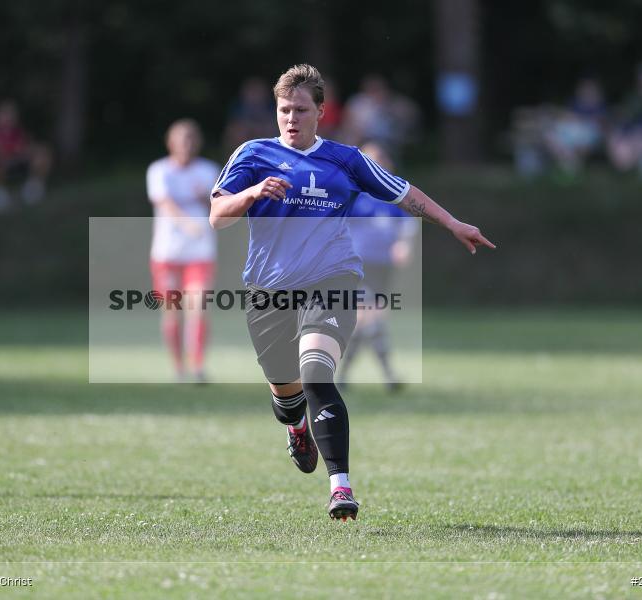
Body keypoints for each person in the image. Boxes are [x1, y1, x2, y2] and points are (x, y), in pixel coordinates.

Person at [210, 64, 494, 520]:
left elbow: (405, 194)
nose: (291, 118)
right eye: (284, 110)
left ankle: (340, 486)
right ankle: (296, 426)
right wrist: (253, 193)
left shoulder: (346, 160)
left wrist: (452, 222)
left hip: (332, 279)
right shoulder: (253, 154)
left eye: (301, 110)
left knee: (317, 375)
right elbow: (217, 216)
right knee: (287, 398)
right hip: (268, 287)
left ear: (321, 112)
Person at [337, 142, 418, 391]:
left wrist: (404, 244)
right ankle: (388, 375)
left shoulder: (392, 195)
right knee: (368, 316)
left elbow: (408, 224)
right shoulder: (353, 193)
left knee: (369, 320)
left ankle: (342, 376)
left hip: (383, 265)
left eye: (379, 159)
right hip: (358, 264)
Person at [147, 119, 221, 382]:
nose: (186, 145)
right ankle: (178, 367)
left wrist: (205, 199)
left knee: (198, 307)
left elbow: (221, 206)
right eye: (181, 139)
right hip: (166, 253)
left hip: (200, 253)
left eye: (191, 139)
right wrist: (188, 224)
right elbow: (164, 203)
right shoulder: (159, 171)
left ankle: (198, 366)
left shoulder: (210, 171)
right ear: (170, 143)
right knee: (172, 313)